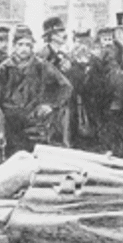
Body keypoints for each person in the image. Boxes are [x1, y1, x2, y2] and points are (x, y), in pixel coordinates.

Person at [0, 24, 72, 157]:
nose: (24, 48)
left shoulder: (42, 66)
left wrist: (51, 105)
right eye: (20, 44)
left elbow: (66, 87)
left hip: (35, 124)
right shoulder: (3, 69)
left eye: (28, 45)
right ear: (14, 46)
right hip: (11, 125)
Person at [99, 12, 123, 160]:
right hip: (115, 112)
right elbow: (115, 79)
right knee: (117, 156)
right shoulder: (111, 51)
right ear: (118, 33)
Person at [37, 16, 73, 146]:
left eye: (63, 30)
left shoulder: (63, 55)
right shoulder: (43, 55)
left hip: (62, 106)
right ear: (51, 35)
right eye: (60, 31)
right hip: (50, 107)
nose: (64, 34)